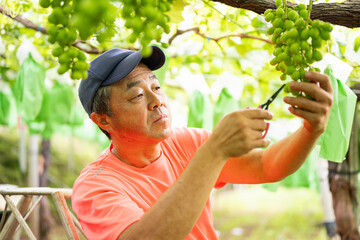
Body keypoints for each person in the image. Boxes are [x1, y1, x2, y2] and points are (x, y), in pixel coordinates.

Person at [72, 45, 333, 240]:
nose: (157, 101)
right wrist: (214, 150)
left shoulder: (187, 142)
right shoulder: (94, 186)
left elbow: (266, 166)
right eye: (137, 95)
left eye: (157, 87)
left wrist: (311, 129)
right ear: (104, 121)